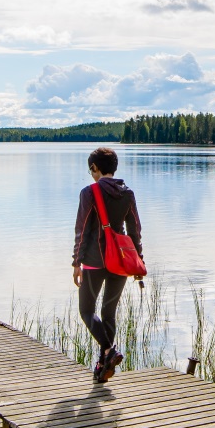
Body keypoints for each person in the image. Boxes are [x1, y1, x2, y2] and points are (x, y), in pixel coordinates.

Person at [72, 146, 142, 383]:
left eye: (90, 169)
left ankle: (109, 351)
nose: (91, 173)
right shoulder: (128, 193)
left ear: (95, 168)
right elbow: (134, 231)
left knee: (86, 310)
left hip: (94, 260)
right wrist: (137, 260)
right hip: (121, 261)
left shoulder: (89, 192)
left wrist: (76, 262)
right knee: (108, 313)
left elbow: (81, 231)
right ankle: (104, 366)